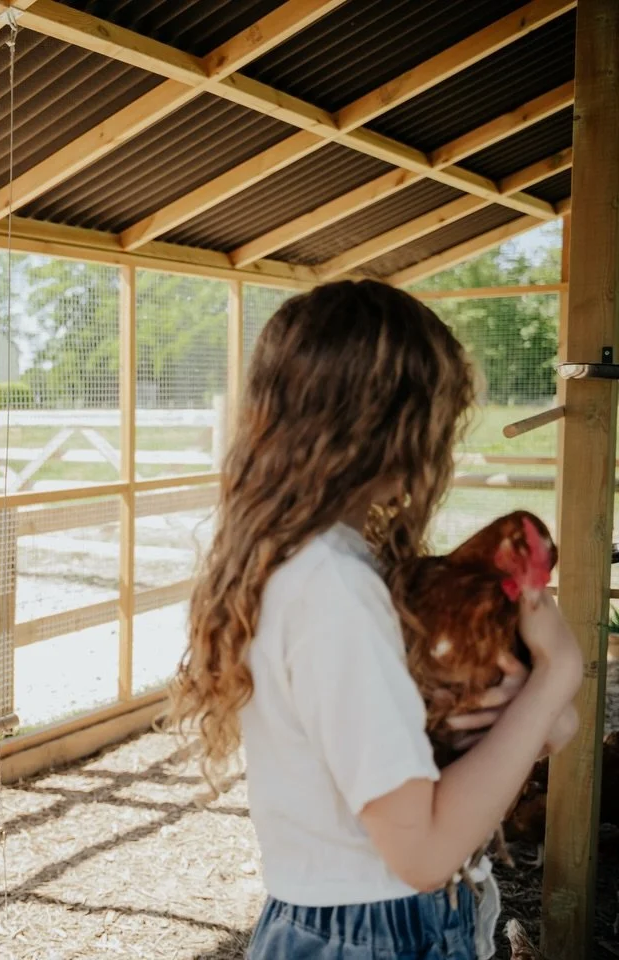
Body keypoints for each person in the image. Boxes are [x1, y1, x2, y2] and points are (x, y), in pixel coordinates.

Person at [165, 280, 581, 959]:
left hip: (351, 923)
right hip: (375, 932)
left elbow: (502, 749)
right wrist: (557, 672)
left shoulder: (317, 562)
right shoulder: (333, 588)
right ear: (395, 426)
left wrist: (532, 712)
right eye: (440, 413)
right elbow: (421, 854)